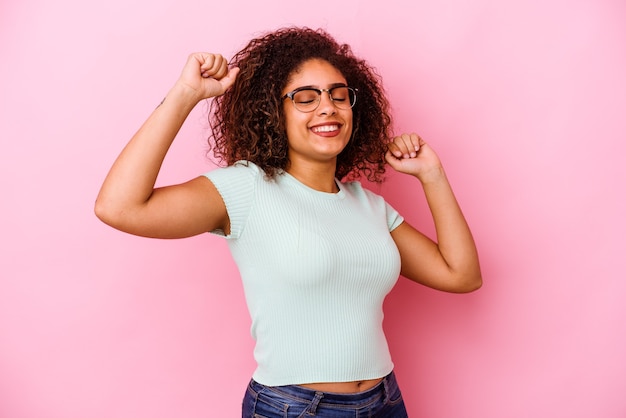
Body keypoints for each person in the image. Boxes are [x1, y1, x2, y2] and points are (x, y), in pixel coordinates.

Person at [95, 27, 481, 418]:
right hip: (294, 408)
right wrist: (185, 95)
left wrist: (432, 175)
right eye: (305, 97)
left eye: (338, 94)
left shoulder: (368, 205)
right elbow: (120, 207)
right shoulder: (246, 188)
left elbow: (460, 275)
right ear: (272, 111)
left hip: (385, 401)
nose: (328, 107)